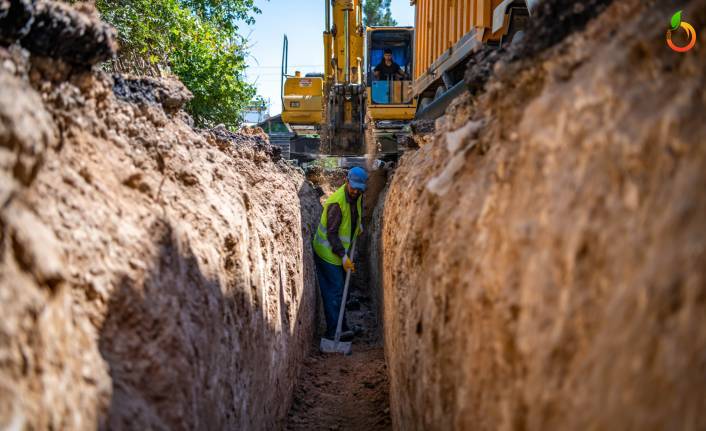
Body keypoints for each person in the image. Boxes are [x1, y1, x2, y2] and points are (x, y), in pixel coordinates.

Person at [312, 167, 369, 341]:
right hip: (327, 253)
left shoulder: (357, 195)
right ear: (346, 181)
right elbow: (332, 233)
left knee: (343, 289)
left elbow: (353, 214)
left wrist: (356, 225)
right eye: (353, 187)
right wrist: (343, 256)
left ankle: (341, 327)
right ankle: (332, 332)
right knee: (335, 291)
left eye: (359, 188)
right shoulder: (337, 203)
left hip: (338, 251)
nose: (356, 191)